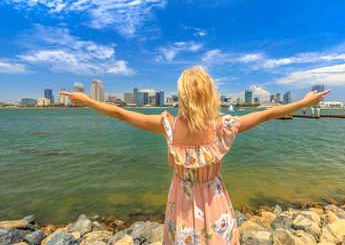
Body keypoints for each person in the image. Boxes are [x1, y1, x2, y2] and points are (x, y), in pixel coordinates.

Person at [60, 66, 330, 244]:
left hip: (181, 198)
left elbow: (120, 113)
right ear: (210, 95)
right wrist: (305, 103)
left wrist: (88, 101)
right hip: (214, 198)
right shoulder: (222, 127)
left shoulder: (168, 125)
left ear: (182, 96)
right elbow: (270, 113)